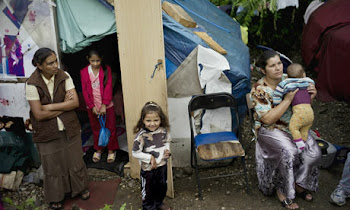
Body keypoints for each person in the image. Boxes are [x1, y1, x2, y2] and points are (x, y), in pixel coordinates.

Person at [250, 50, 321, 209]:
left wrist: (311, 96)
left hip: (293, 126)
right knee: (289, 152)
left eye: (279, 63)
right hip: (270, 129)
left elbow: (302, 105)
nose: (277, 68)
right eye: (272, 65)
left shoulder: (290, 79)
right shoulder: (259, 90)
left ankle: (299, 183)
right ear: (263, 70)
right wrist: (287, 100)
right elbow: (267, 119)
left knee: (314, 152)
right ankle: (283, 191)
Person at [26, 48, 89, 209]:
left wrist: (49, 107)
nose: (55, 65)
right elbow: (38, 115)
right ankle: (57, 197)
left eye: (56, 61)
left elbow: (75, 103)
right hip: (46, 131)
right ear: (39, 65)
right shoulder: (32, 84)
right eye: (50, 63)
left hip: (69, 127)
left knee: (75, 160)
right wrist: (64, 107)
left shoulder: (64, 76)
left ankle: (79, 189)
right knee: (53, 166)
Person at [80, 49, 119, 163]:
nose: (96, 63)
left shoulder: (106, 70)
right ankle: (99, 149)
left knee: (110, 128)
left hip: (107, 106)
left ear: (101, 59)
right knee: (96, 128)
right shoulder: (84, 72)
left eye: (98, 60)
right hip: (92, 107)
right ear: (88, 59)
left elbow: (108, 87)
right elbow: (85, 91)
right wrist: (92, 106)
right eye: (93, 61)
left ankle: (111, 150)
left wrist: (104, 105)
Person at [132, 101, 171, 210]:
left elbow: (167, 141)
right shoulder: (141, 136)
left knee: (162, 186)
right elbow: (135, 152)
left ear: (161, 120)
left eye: (156, 120)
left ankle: (159, 203)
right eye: (148, 120)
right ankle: (149, 207)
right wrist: (149, 158)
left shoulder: (163, 131)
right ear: (143, 120)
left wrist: (167, 150)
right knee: (148, 190)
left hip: (162, 165)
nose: (152, 123)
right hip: (148, 169)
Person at [273, 63, 315, 153]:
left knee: (293, 128)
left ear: (287, 76)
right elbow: (312, 85)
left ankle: (300, 146)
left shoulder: (287, 83)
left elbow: (278, 93)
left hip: (299, 113)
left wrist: (276, 103)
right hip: (310, 113)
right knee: (305, 129)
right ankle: (303, 144)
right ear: (303, 74)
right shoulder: (308, 82)